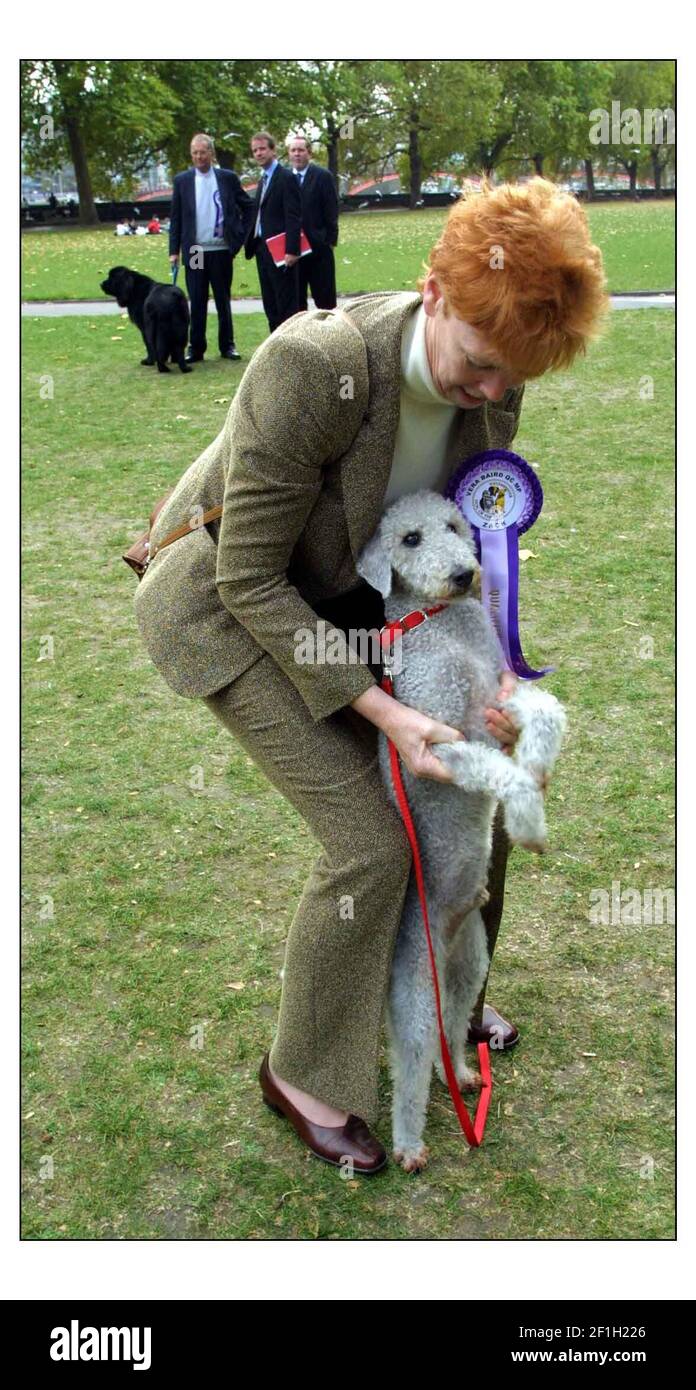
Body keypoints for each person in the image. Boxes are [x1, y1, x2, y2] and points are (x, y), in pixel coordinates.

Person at [133, 178, 607, 1174]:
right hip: (232, 610)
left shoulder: (500, 372)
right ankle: (303, 1070)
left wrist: (489, 683)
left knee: (471, 786)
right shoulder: (314, 367)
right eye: (478, 366)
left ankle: (450, 1004)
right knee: (370, 838)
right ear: (435, 290)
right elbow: (248, 576)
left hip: (347, 604)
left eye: (511, 376)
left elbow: (456, 549)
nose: (491, 393)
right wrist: (386, 709)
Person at [169, 133, 254, 363]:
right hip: (196, 250)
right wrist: (173, 251)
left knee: (222, 299)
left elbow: (249, 207)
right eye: (195, 153)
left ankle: (227, 345)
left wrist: (239, 237)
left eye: (203, 152)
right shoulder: (182, 181)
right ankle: (196, 348)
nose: (199, 157)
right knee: (196, 300)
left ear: (211, 154)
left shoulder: (227, 178)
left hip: (221, 249)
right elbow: (176, 218)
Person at [244, 131, 302, 334]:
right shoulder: (263, 180)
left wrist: (292, 250)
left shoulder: (285, 177)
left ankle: (290, 348)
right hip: (262, 249)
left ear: (272, 150)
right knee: (270, 303)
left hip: (281, 251)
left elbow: (293, 216)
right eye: (255, 150)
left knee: (285, 303)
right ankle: (275, 348)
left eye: (262, 149)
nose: (258, 153)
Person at [286, 134, 339, 311]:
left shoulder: (322, 176)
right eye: (293, 150)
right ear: (289, 154)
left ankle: (330, 337)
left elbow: (331, 210)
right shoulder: (284, 178)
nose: (297, 154)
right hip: (294, 253)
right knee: (296, 304)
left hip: (319, 249)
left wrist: (330, 241)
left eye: (301, 150)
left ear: (309, 153)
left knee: (325, 302)